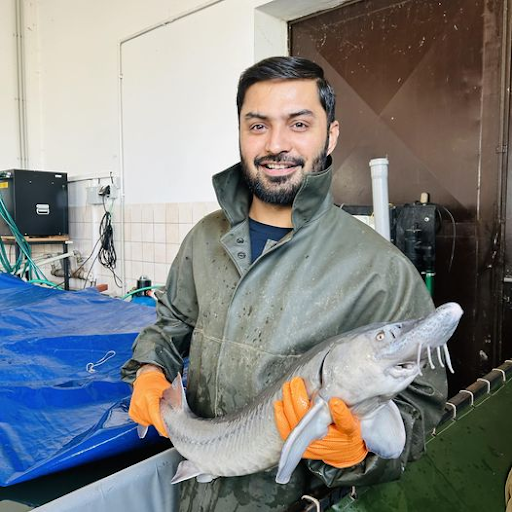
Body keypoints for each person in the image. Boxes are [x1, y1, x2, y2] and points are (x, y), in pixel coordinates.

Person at [121, 56, 447, 511]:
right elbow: (172, 322)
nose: (276, 144)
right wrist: (151, 369)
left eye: (298, 123)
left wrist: (359, 453)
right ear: (239, 132)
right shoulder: (205, 237)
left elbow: (421, 408)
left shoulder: (382, 272)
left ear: (330, 134)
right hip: (195, 491)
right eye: (258, 126)